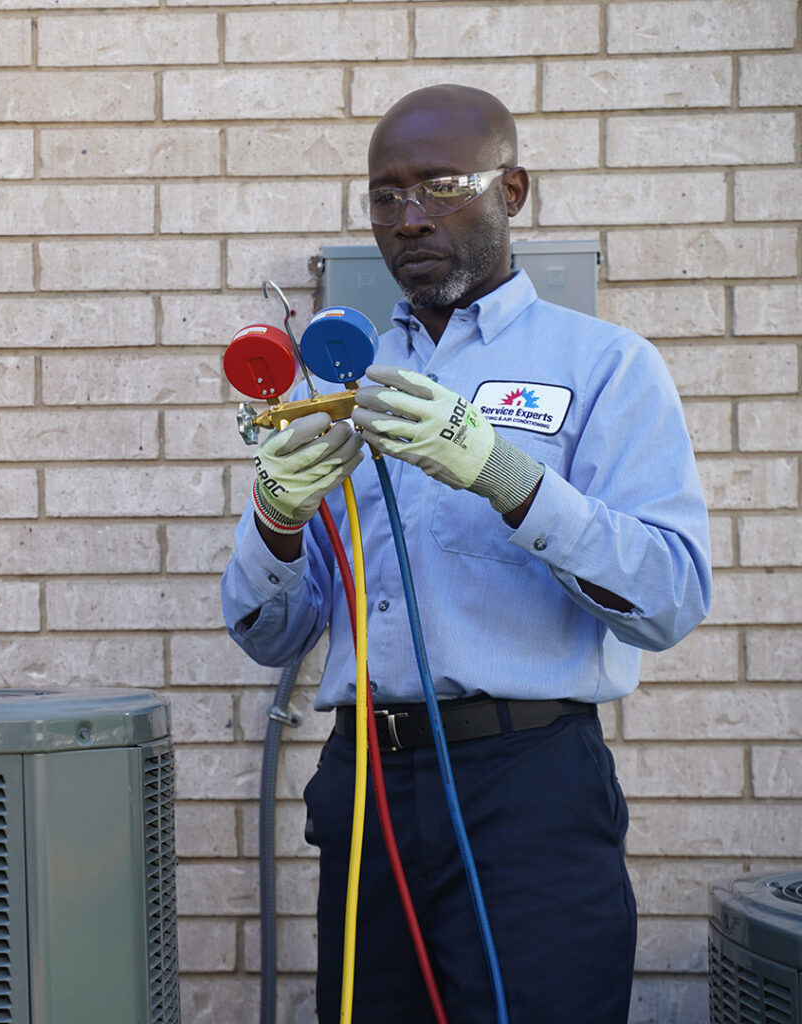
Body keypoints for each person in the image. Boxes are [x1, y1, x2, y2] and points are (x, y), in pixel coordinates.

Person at [221, 84, 711, 1024]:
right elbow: (271, 635)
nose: (409, 219)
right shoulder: (343, 378)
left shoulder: (607, 365)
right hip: (366, 791)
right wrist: (279, 517)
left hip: (526, 790)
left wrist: (507, 477)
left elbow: (671, 596)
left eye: (441, 185)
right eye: (385, 195)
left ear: (514, 190)